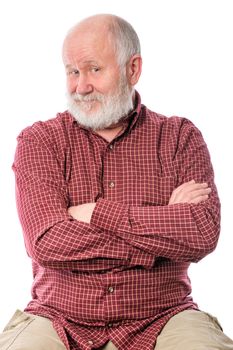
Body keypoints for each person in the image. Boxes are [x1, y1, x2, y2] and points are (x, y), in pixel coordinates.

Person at [0, 13, 232, 350]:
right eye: (72, 71)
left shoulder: (180, 137)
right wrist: (161, 233)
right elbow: (46, 242)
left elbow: (202, 232)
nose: (81, 86)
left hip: (163, 315)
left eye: (94, 69)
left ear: (133, 69)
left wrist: (95, 213)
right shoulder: (40, 140)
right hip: (58, 317)